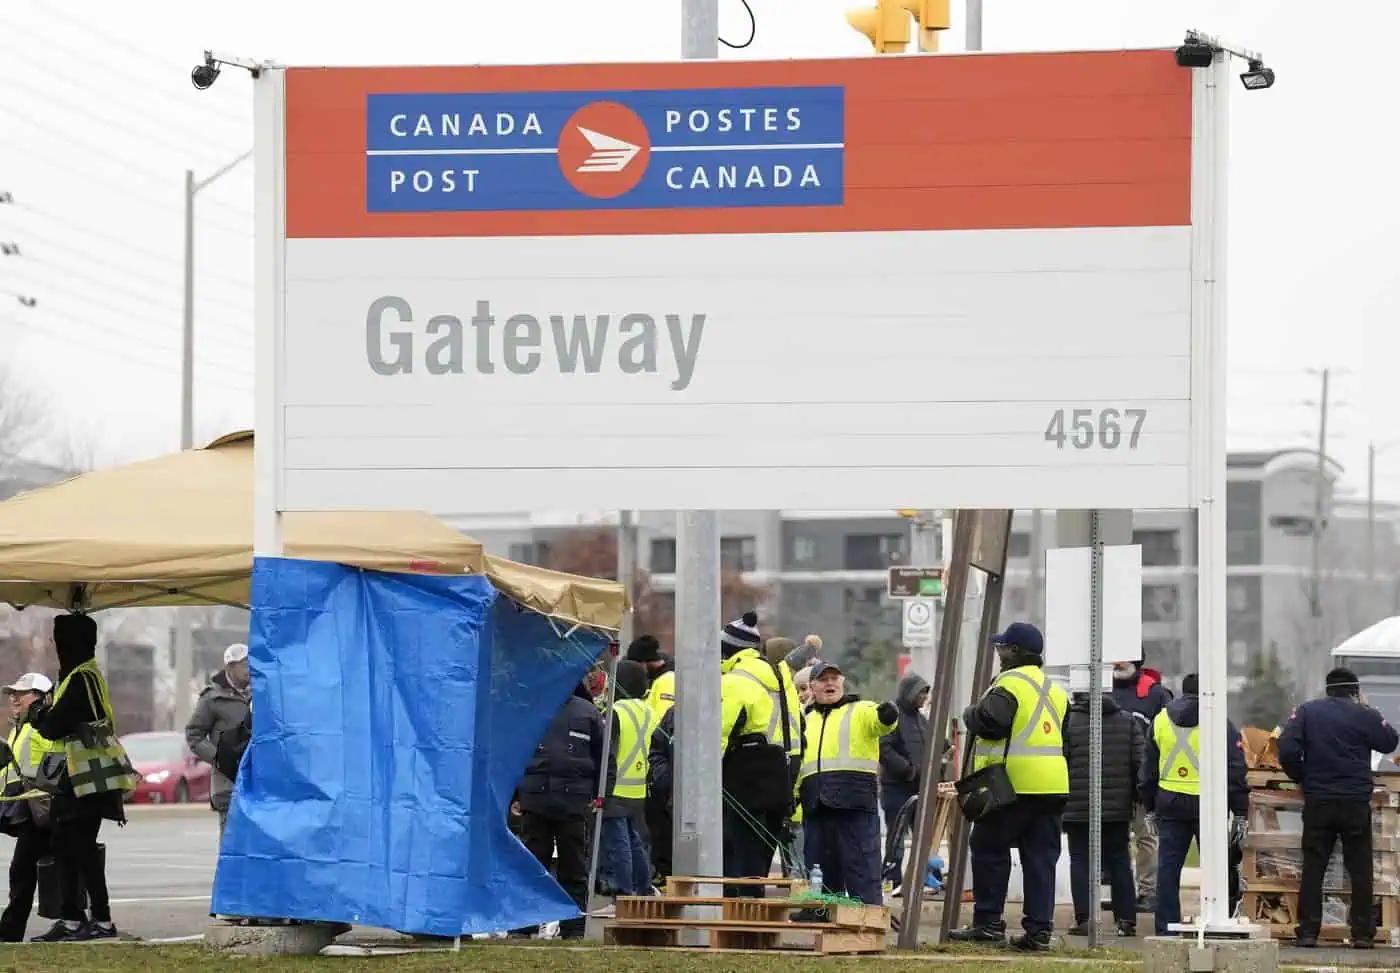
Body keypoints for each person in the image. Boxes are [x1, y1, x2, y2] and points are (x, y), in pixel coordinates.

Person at [949, 622, 1068, 952]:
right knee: (1040, 858)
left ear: (1014, 652)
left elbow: (991, 722)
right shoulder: (1054, 688)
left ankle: (988, 923)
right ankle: (1039, 931)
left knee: (988, 848)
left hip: (1012, 784)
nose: (998, 653)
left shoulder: (1009, 683)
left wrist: (970, 713)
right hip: (1053, 783)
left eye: (1002, 647)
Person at [26, 613, 134, 943]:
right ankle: (81, 918)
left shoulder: (78, 679)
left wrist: (38, 713)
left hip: (83, 781)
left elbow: (53, 725)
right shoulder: (88, 674)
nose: (56, 648)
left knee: (77, 849)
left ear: (69, 644)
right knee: (74, 848)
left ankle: (92, 919)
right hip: (86, 779)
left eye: (59, 642)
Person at [1278, 667, 1399, 949]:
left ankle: (1308, 932)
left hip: (1319, 800)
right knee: (1359, 868)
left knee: (1314, 866)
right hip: (1355, 801)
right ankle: (1362, 934)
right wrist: (1369, 709)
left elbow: (1286, 749)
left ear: (1328, 689)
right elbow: (1390, 741)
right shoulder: (1364, 714)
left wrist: (1302, 777)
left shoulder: (1308, 712)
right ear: (1354, 691)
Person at [1139, 673, 1248, 938]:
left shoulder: (1161, 720)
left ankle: (1166, 928)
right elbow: (1235, 769)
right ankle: (1216, 920)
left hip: (1171, 802)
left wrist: (1150, 807)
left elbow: (1148, 769)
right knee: (1215, 869)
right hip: (1209, 804)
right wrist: (1241, 810)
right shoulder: (1219, 722)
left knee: (1168, 868)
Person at [794, 661, 897, 912]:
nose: (830, 683)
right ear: (812, 686)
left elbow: (880, 722)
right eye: (823, 679)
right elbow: (798, 760)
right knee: (819, 867)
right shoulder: (804, 718)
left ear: (842, 682)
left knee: (861, 865)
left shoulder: (860, 710)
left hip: (854, 801)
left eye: (834, 679)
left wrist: (888, 714)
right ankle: (821, 914)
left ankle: (867, 919)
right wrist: (793, 797)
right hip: (816, 802)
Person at [514, 679, 607, 939]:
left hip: (572, 802)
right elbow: (515, 755)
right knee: (533, 863)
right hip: (538, 798)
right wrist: (516, 795)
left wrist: (601, 795)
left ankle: (574, 926)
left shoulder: (587, 713)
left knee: (573, 866)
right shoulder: (531, 709)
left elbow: (603, 758)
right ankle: (525, 924)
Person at [719, 612, 799, 897]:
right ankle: (755, 912)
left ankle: (738, 916)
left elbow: (719, 732)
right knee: (762, 852)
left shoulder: (736, 680)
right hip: (782, 769)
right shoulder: (780, 677)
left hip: (746, 771)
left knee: (738, 848)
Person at [1062, 687, 1145, 937]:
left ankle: (1085, 918)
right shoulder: (1128, 721)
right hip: (1117, 808)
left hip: (1077, 804)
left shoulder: (1069, 722)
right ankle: (1126, 920)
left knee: (1080, 860)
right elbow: (1139, 763)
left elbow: (1063, 759)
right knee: (1119, 859)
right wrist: (1136, 798)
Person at [1112, 659, 1172, 912]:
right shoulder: (1102, 690)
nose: (1116, 663)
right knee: (1115, 840)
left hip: (1143, 780)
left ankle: (1147, 891)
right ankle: (1118, 891)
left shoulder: (1156, 694)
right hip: (1112, 780)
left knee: (1146, 837)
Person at [0, 673, 56, 942]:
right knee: (30, 870)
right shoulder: (19, 728)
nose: (14, 698)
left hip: (43, 810)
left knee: (22, 871)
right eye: (12, 693)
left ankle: (10, 933)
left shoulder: (42, 727)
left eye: (21, 693)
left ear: (41, 697)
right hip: (26, 810)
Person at [184, 643, 252, 841]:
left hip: (257, 782)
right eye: (243, 665)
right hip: (227, 785)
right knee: (231, 843)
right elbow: (194, 734)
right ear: (230, 668)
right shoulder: (212, 699)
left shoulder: (260, 693)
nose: (249, 669)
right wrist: (219, 758)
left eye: (249, 664)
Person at [600, 661, 654, 898]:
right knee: (635, 842)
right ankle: (644, 889)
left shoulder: (616, 711)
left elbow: (606, 752)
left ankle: (624, 893)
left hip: (616, 786)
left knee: (619, 843)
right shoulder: (648, 710)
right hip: (639, 787)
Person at [627, 634, 675, 881]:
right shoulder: (662, 680)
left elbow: (658, 725)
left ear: (645, 663)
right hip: (659, 762)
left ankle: (664, 872)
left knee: (660, 824)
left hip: (661, 762)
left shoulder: (666, 682)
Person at [879, 671, 929, 895]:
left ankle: (918, 879)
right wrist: (908, 770)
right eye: (921, 692)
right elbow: (884, 748)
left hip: (920, 788)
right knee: (897, 836)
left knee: (922, 837)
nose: (924, 697)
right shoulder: (892, 716)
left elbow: (934, 743)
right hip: (896, 788)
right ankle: (892, 878)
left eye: (926, 692)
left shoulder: (922, 719)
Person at [627, 636, 675, 724]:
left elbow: (663, 723)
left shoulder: (667, 680)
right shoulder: (656, 679)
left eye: (635, 667)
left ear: (643, 663)